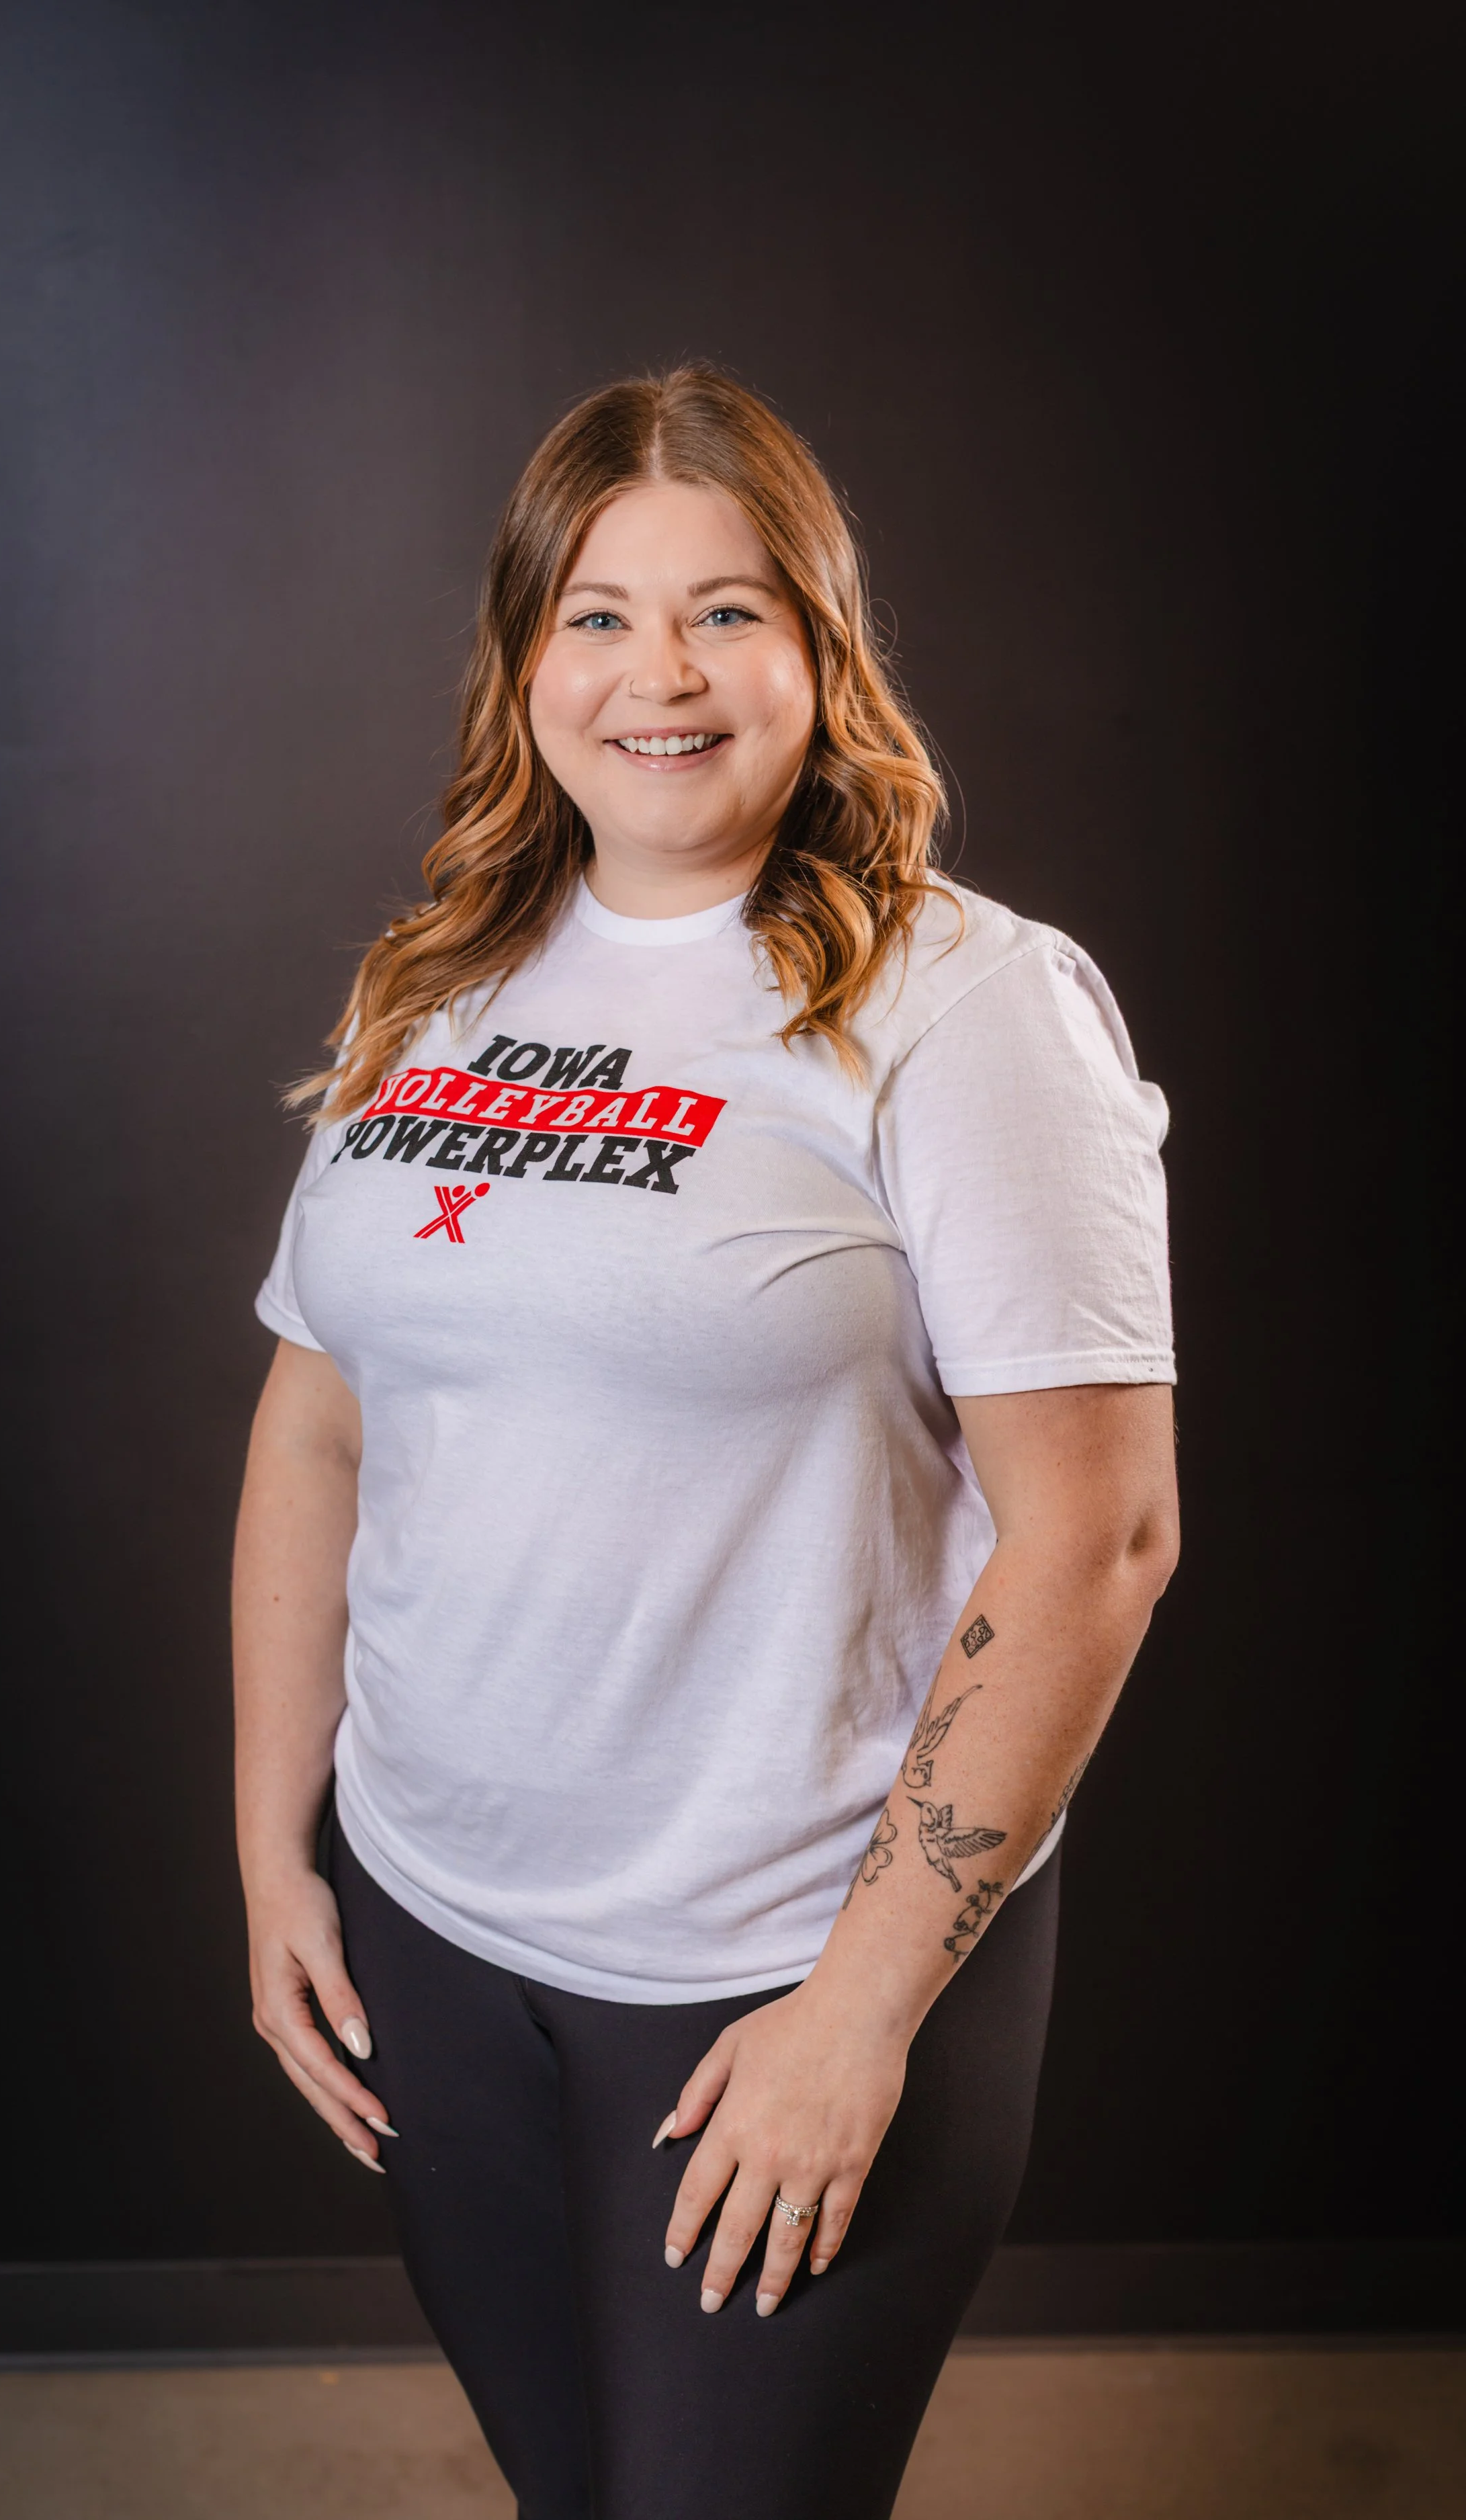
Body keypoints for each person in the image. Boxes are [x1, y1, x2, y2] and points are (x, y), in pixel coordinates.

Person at [232, 365, 1178, 2520]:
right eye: (597, 613)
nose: (657, 672)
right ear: (524, 661)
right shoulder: (437, 985)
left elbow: (1098, 1540)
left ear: (819, 652)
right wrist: (277, 1848)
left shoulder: (962, 1002)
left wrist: (858, 2013)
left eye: (726, 610)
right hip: (436, 1934)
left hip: (774, 1960)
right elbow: (318, 1416)